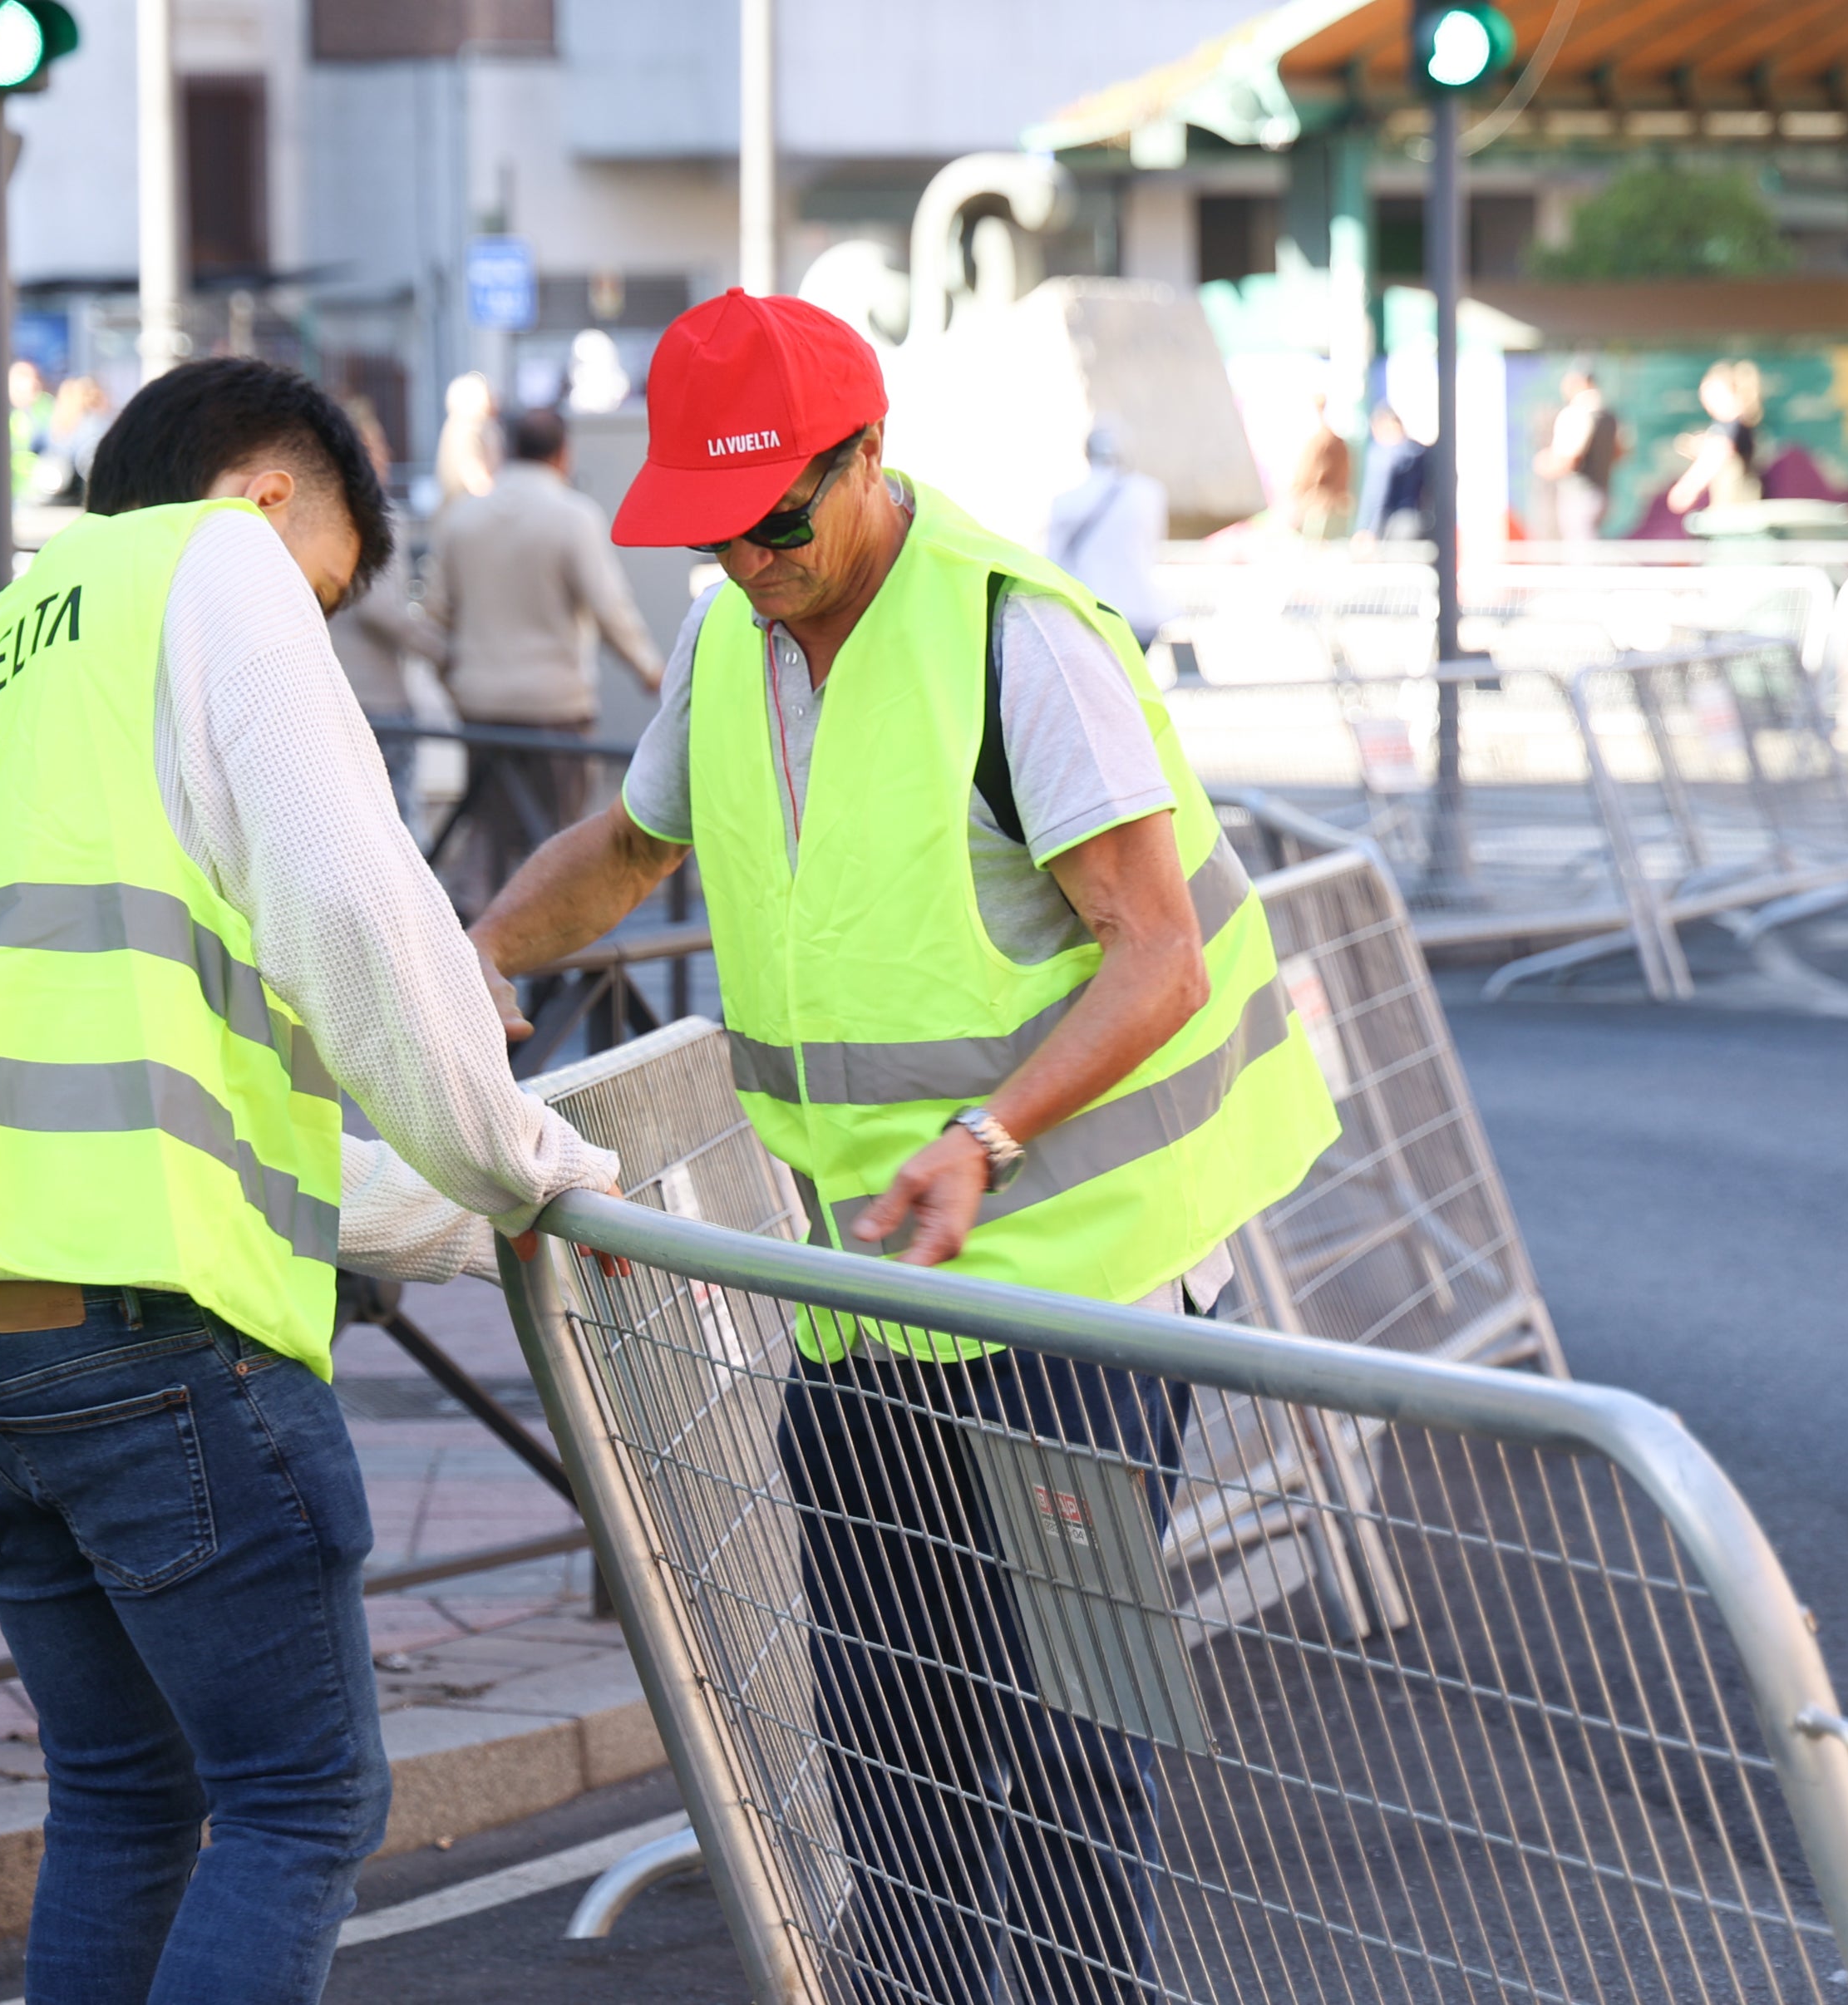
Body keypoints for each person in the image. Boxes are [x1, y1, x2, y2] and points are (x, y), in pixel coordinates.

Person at [466, 289, 1338, 2005]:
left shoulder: (1023, 641)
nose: (747, 559)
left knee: (1080, 1746)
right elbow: (629, 849)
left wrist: (985, 1139)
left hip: (1078, 1304)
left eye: (778, 516)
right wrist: (467, 957)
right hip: (868, 1296)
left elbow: (1153, 950)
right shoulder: (732, 642)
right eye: (710, 531)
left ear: (868, 460)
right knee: (894, 1752)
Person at [0, 353, 616, 2005]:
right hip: (153, 1331)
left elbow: (178, 1107)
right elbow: (350, 910)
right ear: (267, 496)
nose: (314, 628)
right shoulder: (216, 568)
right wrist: (526, 1155)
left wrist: (484, 1215)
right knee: (302, 1801)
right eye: (325, 589)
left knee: (123, 1806)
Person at [417, 403, 662, 898]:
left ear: (505, 450)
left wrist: (455, 676)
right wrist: (651, 671)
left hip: (481, 707)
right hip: (556, 709)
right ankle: (557, 960)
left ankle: (478, 945)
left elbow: (432, 619)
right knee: (559, 839)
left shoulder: (462, 520)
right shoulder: (573, 517)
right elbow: (610, 609)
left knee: (487, 829)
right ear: (562, 455)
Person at [332, 402, 447, 827]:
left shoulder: (310, 519)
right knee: (397, 824)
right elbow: (380, 608)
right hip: (379, 696)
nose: (385, 457)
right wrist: (440, 649)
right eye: (374, 447)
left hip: (336, 696)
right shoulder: (375, 517)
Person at [1045, 421, 1169, 648]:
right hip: (1140, 612)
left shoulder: (1065, 502)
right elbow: (1152, 549)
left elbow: (1054, 562)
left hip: (1091, 614)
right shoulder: (1150, 493)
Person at [1531, 367, 1624, 544]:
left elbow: (1570, 460)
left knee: (1582, 554)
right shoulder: (1609, 415)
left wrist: (1544, 463)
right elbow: (1619, 453)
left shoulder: (1578, 413)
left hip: (1580, 493)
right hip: (1601, 493)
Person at [1665, 358, 1764, 520]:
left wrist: (1686, 489)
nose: (1705, 400)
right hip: (1737, 512)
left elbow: (1718, 454)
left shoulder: (1733, 424)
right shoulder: (1733, 425)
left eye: (1710, 392)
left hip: (1736, 514)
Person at [1353, 403, 1428, 544]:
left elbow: (1376, 495)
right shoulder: (1418, 451)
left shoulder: (1384, 455)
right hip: (1412, 521)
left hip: (1393, 524)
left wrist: (1366, 529)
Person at [1284, 396, 1353, 540]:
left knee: (1319, 545)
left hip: (1322, 505)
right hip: (1314, 503)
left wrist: (1315, 495)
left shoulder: (1329, 441)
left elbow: (1323, 473)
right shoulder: (1315, 439)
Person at [431, 370, 499, 514]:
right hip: (467, 507)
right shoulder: (468, 425)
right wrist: (495, 503)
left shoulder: (463, 424)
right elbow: (472, 472)